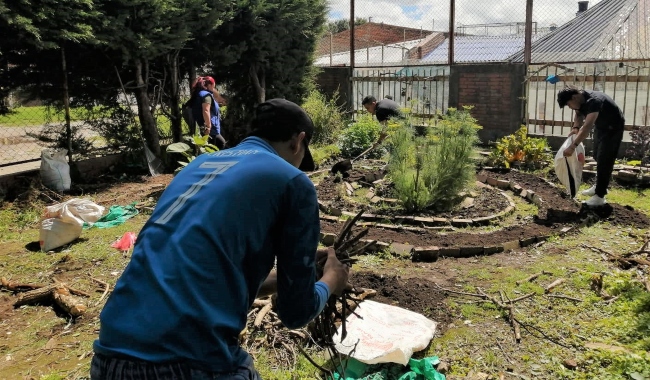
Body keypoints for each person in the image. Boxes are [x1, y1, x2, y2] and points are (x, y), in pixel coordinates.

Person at [91, 98, 350, 380]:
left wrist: (293, 278)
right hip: (186, 362)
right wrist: (331, 281)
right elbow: (296, 312)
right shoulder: (292, 181)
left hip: (110, 355)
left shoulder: (198, 166)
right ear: (298, 142)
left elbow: (205, 273)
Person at [557, 86, 625, 207]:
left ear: (574, 97)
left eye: (568, 104)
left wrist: (573, 146)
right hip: (601, 126)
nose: (570, 107)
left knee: (605, 160)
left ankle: (600, 196)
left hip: (613, 128)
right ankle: (599, 186)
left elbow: (587, 126)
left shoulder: (594, 101)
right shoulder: (580, 100)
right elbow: (578, 115)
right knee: (597, 156)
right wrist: (575, 128)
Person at [190, 76, 227, 149]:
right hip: (211, 129)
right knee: (221, 145)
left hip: (204, 127)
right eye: (213, 86)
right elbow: (206, 110)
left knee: (214, 147)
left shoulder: (199, 94)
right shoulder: (206, 95)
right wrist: (208, 127)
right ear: (209, 85)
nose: (214, 88)